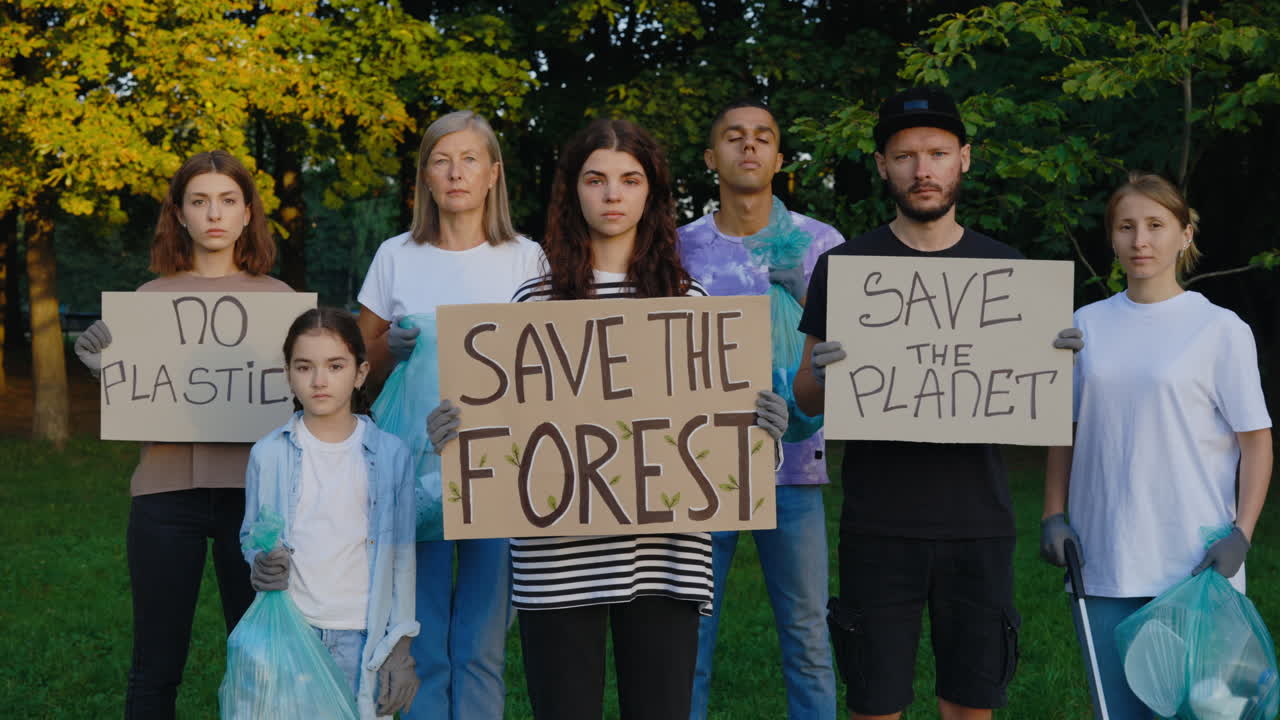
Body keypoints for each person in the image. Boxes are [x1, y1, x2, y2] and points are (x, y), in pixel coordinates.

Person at [428, 117, 789, 720]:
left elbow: (719, 449)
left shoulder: (690, 304)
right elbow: (510, 443)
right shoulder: (533, 307)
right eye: (596, 180)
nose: (613, 194)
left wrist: (761, 433)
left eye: (630, 179)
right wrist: (459, 440)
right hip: (558, 567)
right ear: (573, 192)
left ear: (652, 194)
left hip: (667, 559)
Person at [792, 87, 1082, 720]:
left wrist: (1054, 357)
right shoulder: (845, 267)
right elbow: (804, 397)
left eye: (937, 154)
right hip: (878, 522)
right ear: (882, 165)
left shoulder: (1007, 272)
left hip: (978, 523)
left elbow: (1039, 399)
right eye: (905, 156)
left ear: (964, 160)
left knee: (971, 705)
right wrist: (819, 369)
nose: (923, 170)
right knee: (875, 704)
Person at [1040, 172, 1273, 719]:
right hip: (1104, 558)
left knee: (1205, 712)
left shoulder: (1220, 329)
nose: (1140, 240)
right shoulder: (1082, 326)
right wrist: (1053, 513)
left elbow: (1257, 444)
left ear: (1184, 235)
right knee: (1119, 710)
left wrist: (1243, 532)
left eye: (1155, 225)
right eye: (1126, 227)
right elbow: (1062, 429)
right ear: (1113, 239)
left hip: (1195, 566)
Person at [71, 150, 292, 719]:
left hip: (257, 502)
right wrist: (100, 366)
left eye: (227, 200)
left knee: (263, 660)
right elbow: (140, 391)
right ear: (181, 215)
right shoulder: (146, 302)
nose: (213, 213)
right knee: (155, 665)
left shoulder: (284, 303)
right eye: (199, 201)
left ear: (248, 214)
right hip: (165, 499)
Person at [354, 110, 544, 720]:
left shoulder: (526, 258)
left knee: (485, 641)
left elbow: (552, 364)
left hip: (502, 467)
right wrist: (389, 349)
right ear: (425, 179)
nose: (455, 172)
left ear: (493, 174)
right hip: (414, 465)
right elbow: (357, 361)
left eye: (468, 159)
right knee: (420, 628)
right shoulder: (395, 255)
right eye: (441, 160)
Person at [677, 98, 842, 720]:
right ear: (711, 156)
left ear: (778, 157)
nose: (749, 147)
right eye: (734, 136)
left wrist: (810, 294)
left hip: (795, 467)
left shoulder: (821, 243)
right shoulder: (678, 248)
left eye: (763, 137)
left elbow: (856, 350)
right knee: (690, 635)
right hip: (698, 469)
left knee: (807, 637)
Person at [241, 307, 420, 719]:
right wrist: (260, 561)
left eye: (335, 366)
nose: (319, 380)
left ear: (360, 373)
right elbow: (251, 534)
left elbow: (404, 558)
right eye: (304, 367)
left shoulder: (391, 455)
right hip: (290, 634)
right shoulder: (268, 454)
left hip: (363, 639)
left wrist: (402, 644)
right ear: (288, 374)